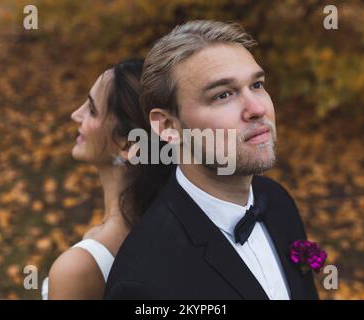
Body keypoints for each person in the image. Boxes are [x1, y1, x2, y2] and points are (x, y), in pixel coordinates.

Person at [104, 20, 319, 300]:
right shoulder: (143, 283)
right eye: (223, 95)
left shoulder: (277, 201)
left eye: (257, 84)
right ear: (168, 126)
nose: (257, 108)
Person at [42, 59, 173, 299]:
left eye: (91, 109)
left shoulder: (77, 269)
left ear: (128, 144)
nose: (75, 114)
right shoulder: (173, 230)